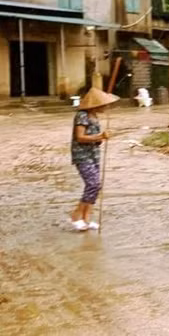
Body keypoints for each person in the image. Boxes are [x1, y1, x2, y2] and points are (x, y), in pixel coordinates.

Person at [70, 87, 118, 231]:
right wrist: (100, 136)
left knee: (96, 186)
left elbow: (94, 138)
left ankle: (87, 218)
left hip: (93, 154)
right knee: (92, 183)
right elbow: (80, 137)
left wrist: (100, 139)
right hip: (82, 155)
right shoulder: (82, 116)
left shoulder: (94, 117)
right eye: (103, 104)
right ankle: (76, 215)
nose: (106, 107)